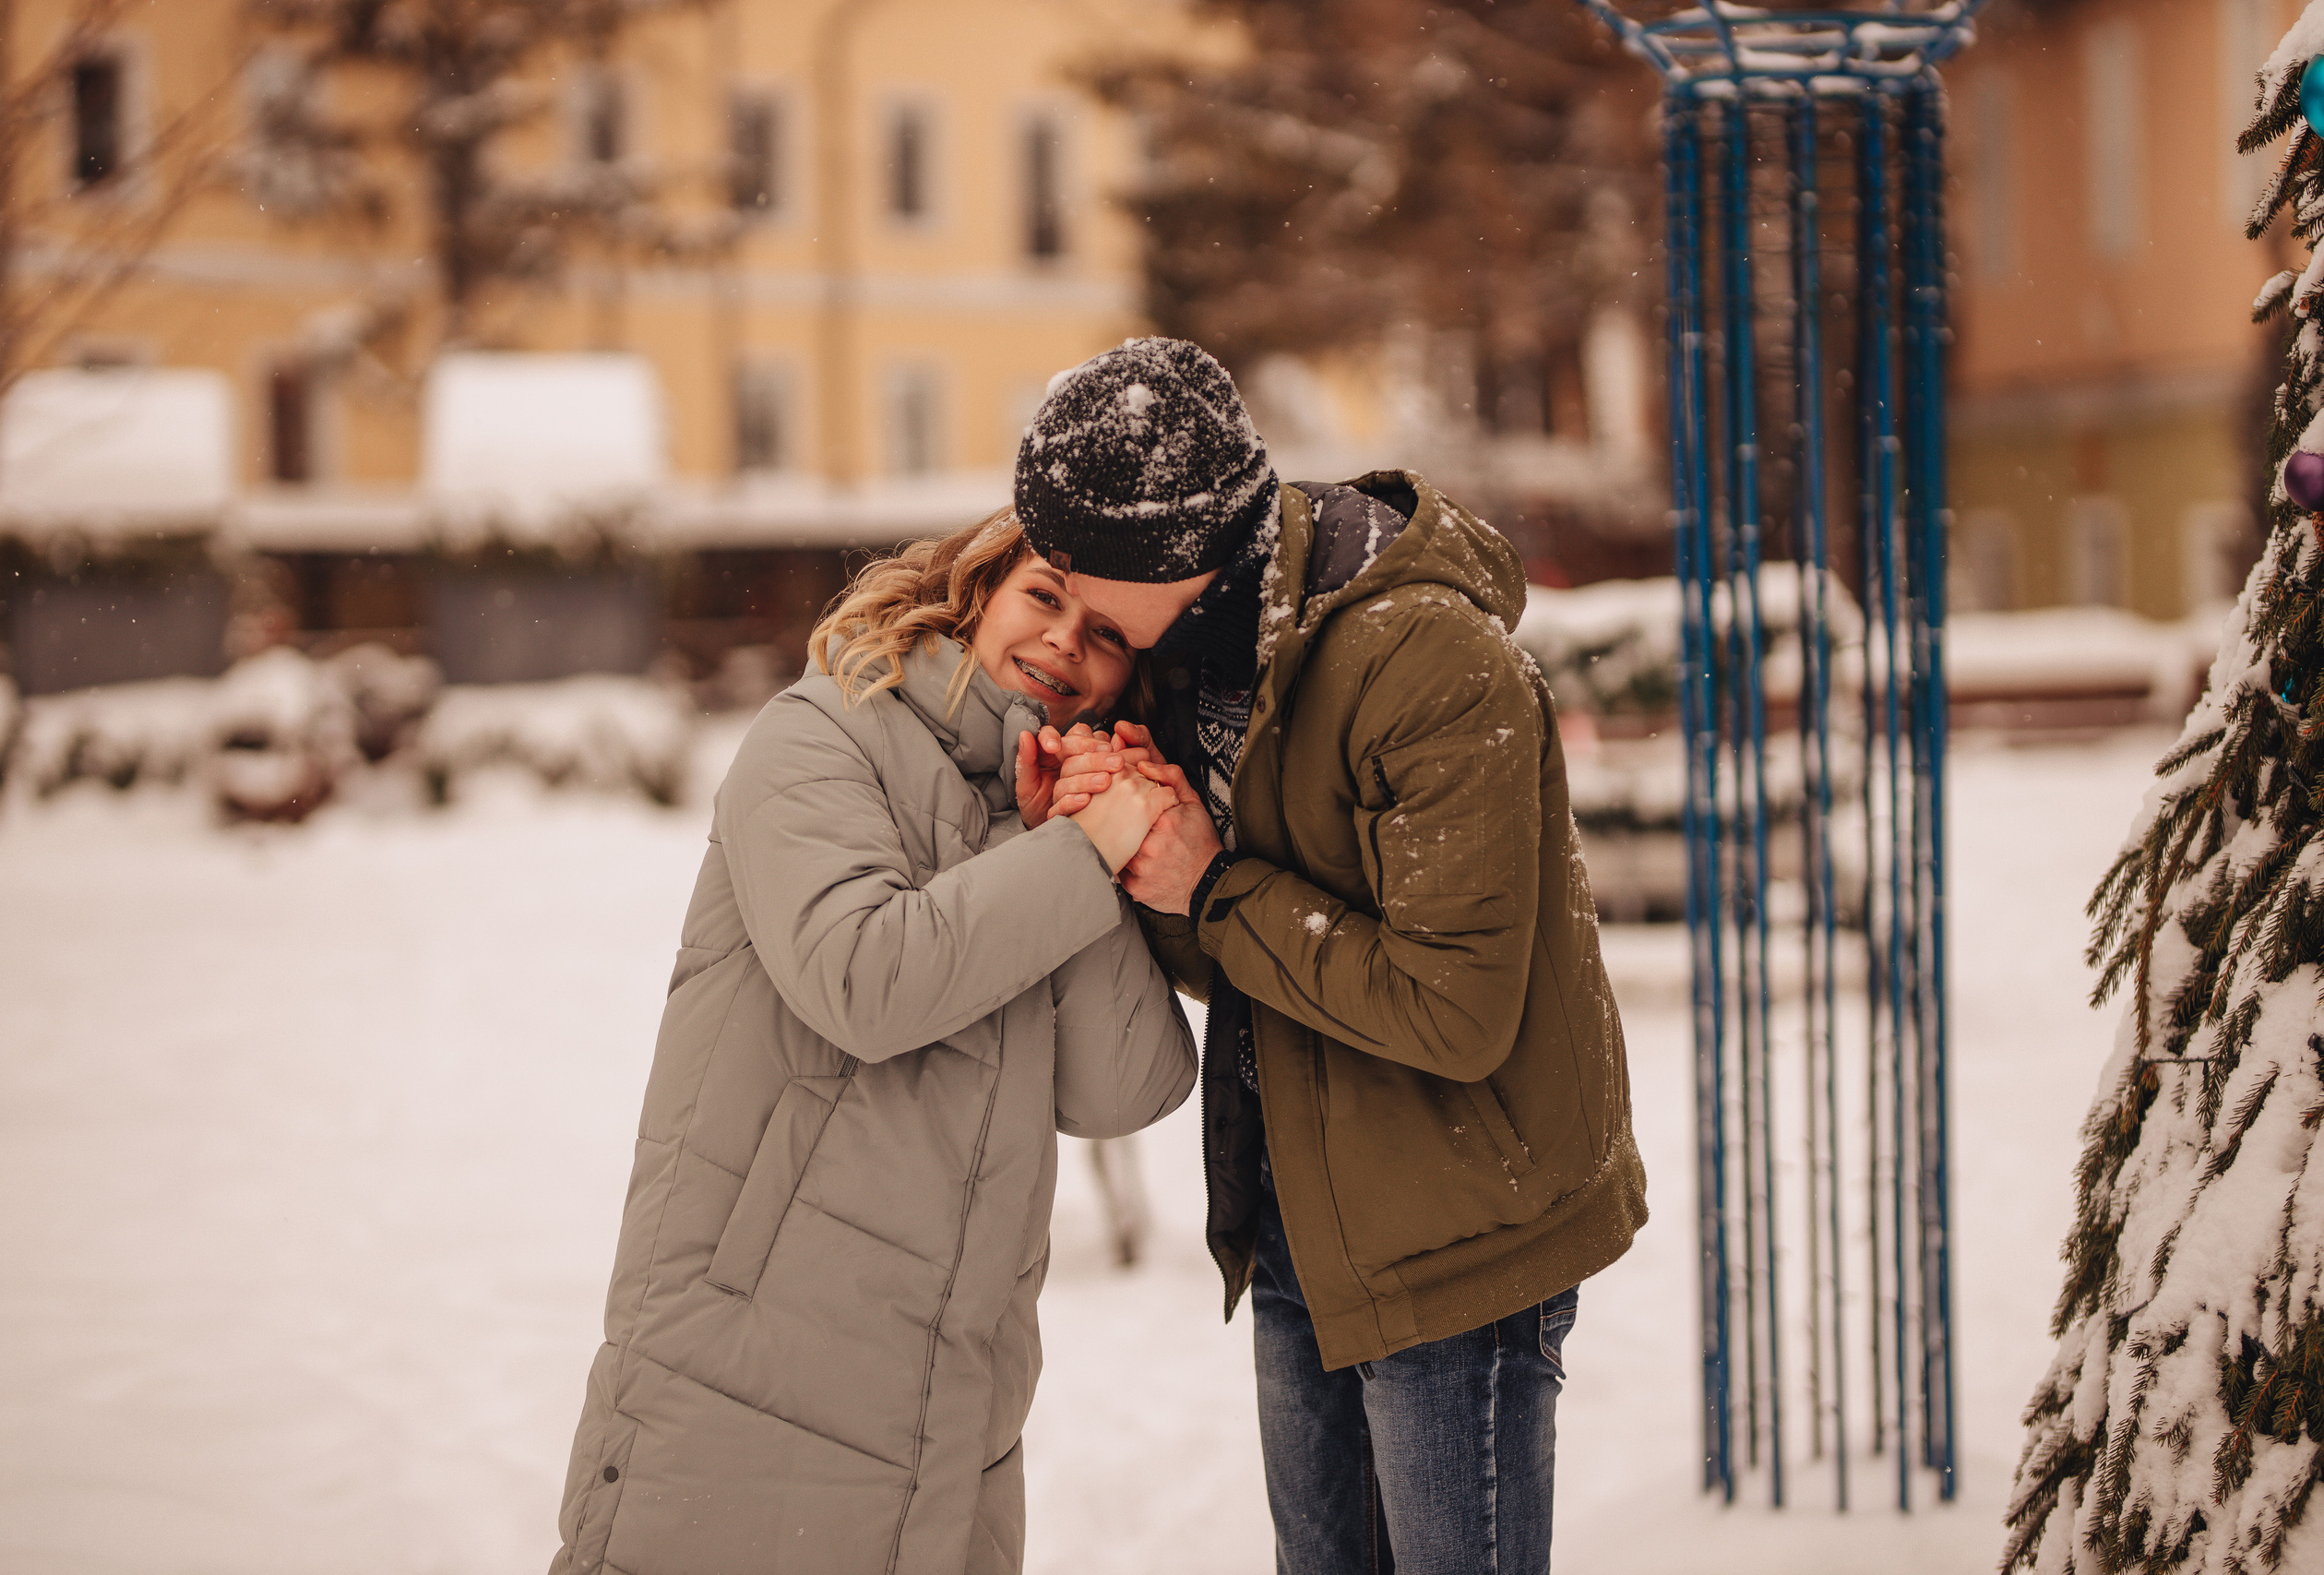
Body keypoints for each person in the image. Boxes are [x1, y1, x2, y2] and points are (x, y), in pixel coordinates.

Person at [1016, 338, 1647, 1575]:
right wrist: (1124, 838)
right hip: (1303, 1213)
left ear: (1176, 554)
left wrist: (1207, 877)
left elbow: (1451, 1003)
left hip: (1462, 1229)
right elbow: (1246, 953)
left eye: (1082, 578)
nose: (1066, 614)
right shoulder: (1192, 661)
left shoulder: (1424, 658)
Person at [547, 508, 1198, 1575]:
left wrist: (1069, 842)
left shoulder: (1040, 823)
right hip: (742, 1391)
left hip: (951, 1426)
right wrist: (1081, 855)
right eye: (1044, 597)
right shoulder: (819, 733)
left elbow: (1130, 1086)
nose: (1065, 645)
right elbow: (865, 976)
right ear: (980, 589)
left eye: (1109, 635)